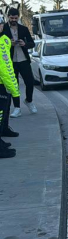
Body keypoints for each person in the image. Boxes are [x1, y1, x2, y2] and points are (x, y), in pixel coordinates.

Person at [2, 8, 36, 117]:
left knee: (30, 82)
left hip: (23, 60)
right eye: (11, 18)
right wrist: (9, 44)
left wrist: (24, 43)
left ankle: (29, 100)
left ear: (18, 17)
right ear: (8, 17)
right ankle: (17, 108)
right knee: (14, 85)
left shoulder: (24, 29)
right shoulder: (4, 28)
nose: (13, 20)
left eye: (15, 18)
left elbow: (32, 43)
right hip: (10, 62)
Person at [0, 30, 20, 158]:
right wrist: (14, 90)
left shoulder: (4, 39)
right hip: (2, 84)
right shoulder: (2, 42)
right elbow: (5, 68)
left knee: (4, 114)